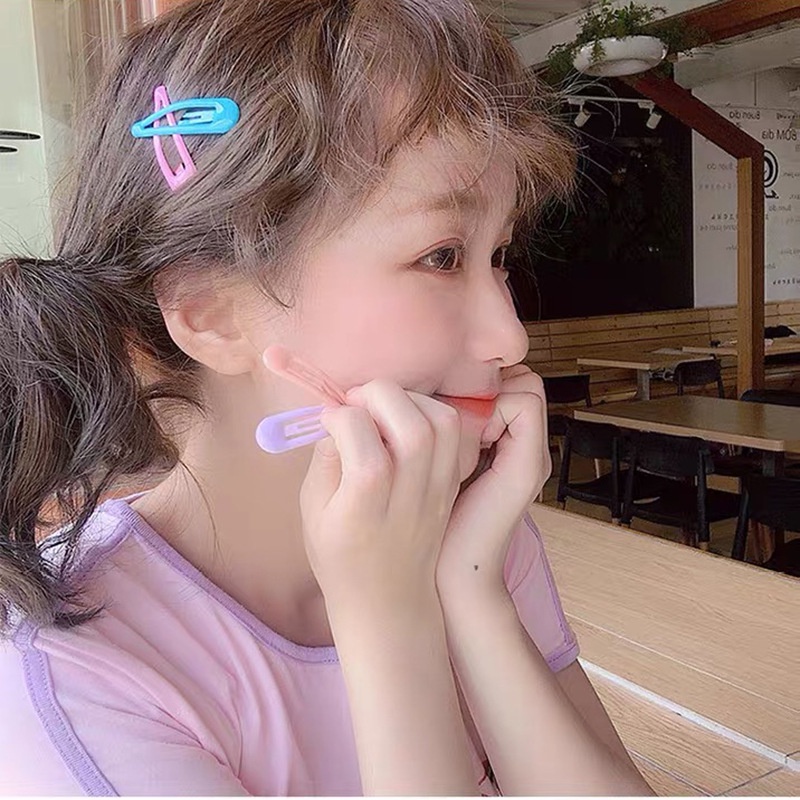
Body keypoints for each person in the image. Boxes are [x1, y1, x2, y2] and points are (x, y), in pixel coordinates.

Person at [0, 0, 653, 795]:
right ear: (210, 312)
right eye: (443, 256)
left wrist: (470, 588)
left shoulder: (471, 533)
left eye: (500, 254)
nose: (509, 339)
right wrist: (390, 615)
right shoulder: (72, 676)